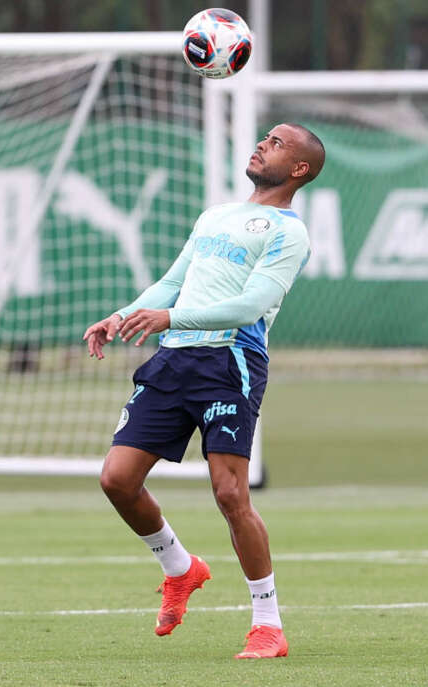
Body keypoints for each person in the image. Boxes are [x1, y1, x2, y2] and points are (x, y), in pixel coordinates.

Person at [83, 123, 325, 660]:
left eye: (278, 143)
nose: (263, 144)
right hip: (174, 359)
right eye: (265, 137)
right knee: (117, 479)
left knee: (229, 493)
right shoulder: (215, 215)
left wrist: (170, 315)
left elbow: (249, 305)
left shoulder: (289, 232)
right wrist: (122, 315)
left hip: (230, 360)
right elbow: (173, 281)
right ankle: (180, 568)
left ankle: (268, 626)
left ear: (300, 169)